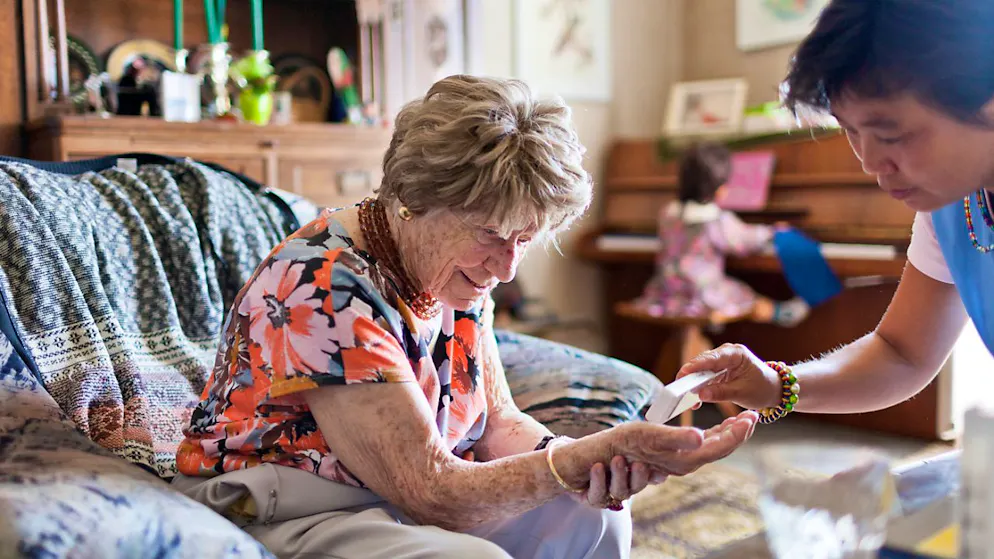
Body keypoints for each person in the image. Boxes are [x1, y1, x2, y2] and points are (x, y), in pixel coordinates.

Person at [171, 75, 758, 559]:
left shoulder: (455, 269)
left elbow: (497, 419)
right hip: (292, 502)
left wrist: (591, 461)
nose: (507, 268)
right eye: (493, 234)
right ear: (414, 198)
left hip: (397, 493)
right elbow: (429, 490)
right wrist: (569, 461)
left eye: (525, 239)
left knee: (593, 515)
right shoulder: (324, 284)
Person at [676, 0, 994, 424]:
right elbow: (901, 352)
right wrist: (775, 385)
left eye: (891, 134)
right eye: (850, 130)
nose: (869, 162)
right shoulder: (952, 207)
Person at [634, 141, 809, 327]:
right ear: (720, 189)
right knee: (743, 296)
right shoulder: (715, 219)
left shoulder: (668, 213)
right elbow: (744, 240)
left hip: (666, 293)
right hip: (701, 296)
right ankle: (779, 312)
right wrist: (772, 232)